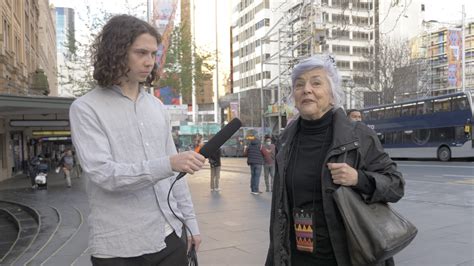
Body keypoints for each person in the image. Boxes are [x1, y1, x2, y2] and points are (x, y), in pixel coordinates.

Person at [69, 15, 205, 266]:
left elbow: (177, 177)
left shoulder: (157, 107)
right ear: (117, 52)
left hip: (170, 235)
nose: (149, 62)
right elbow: (105, 174)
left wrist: (191, 224)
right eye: (141, 52)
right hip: (120, 246)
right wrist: (169, 164)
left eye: (153, 54)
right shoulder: (86, 108)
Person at [265, 55, 404, 266]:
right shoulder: (286, 140)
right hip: (297, 255)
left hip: (347, 255)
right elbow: (280, 208)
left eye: (316, 82)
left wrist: (359, 178)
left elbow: (395, 185)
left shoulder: (358, 135)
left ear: (332, 94)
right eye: (299, 84)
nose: (306, 89)